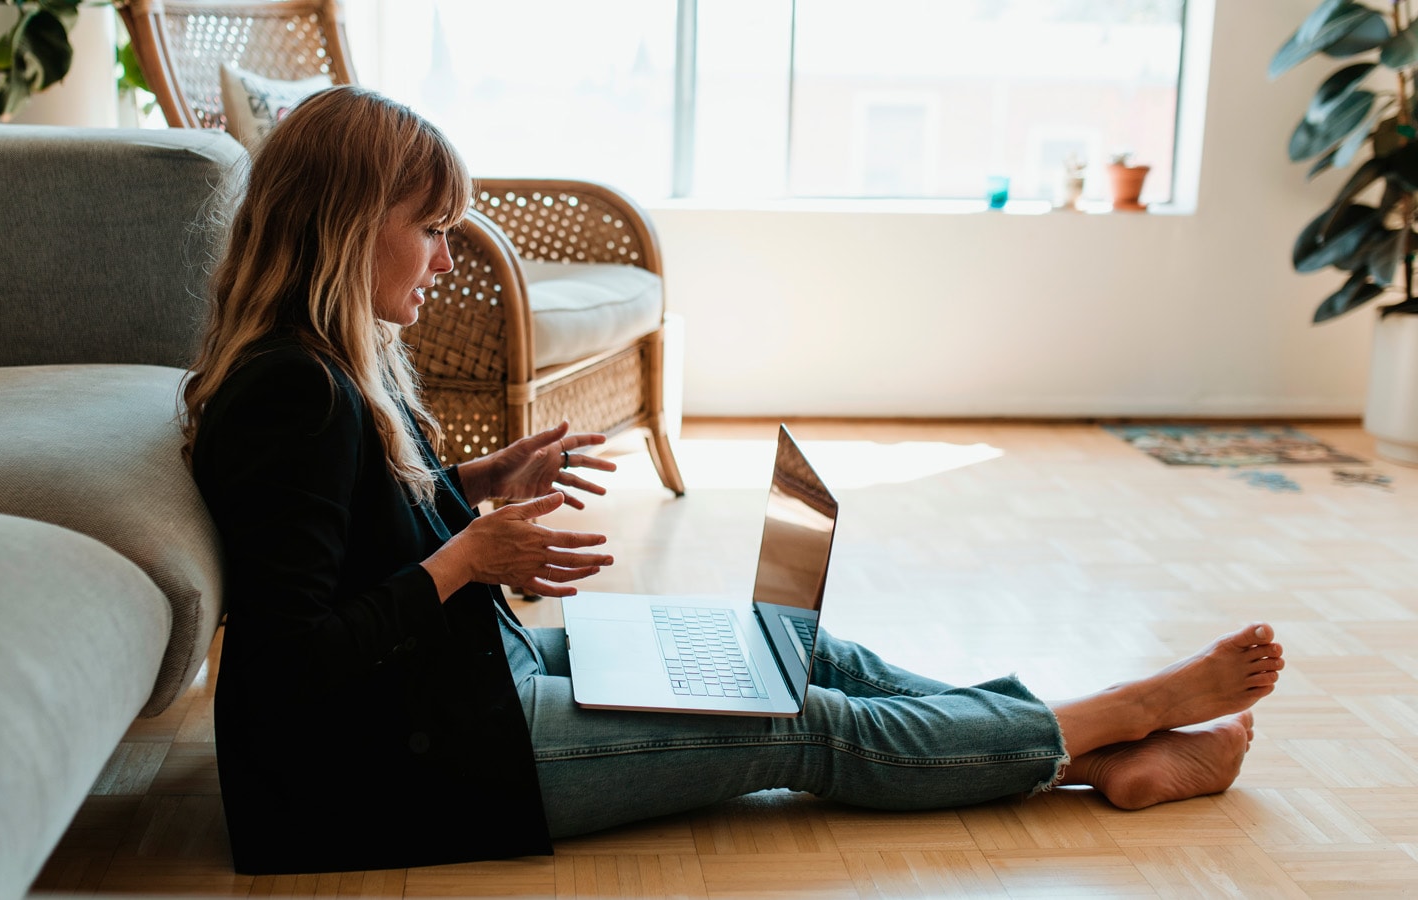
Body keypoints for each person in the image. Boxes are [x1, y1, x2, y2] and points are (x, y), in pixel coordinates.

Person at [181, 86, 1285, 876]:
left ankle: (1074, 746)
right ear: (344, 226)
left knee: (796, 652)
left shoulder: (320, 366)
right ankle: (1124, 718)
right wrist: (471, 554)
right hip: (390, 776)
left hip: (446, 693)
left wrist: (470, 486)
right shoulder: (292, 393)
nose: (447, 258)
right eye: (429, 230)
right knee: (793, 722)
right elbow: (290, 663)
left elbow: (346, 537)